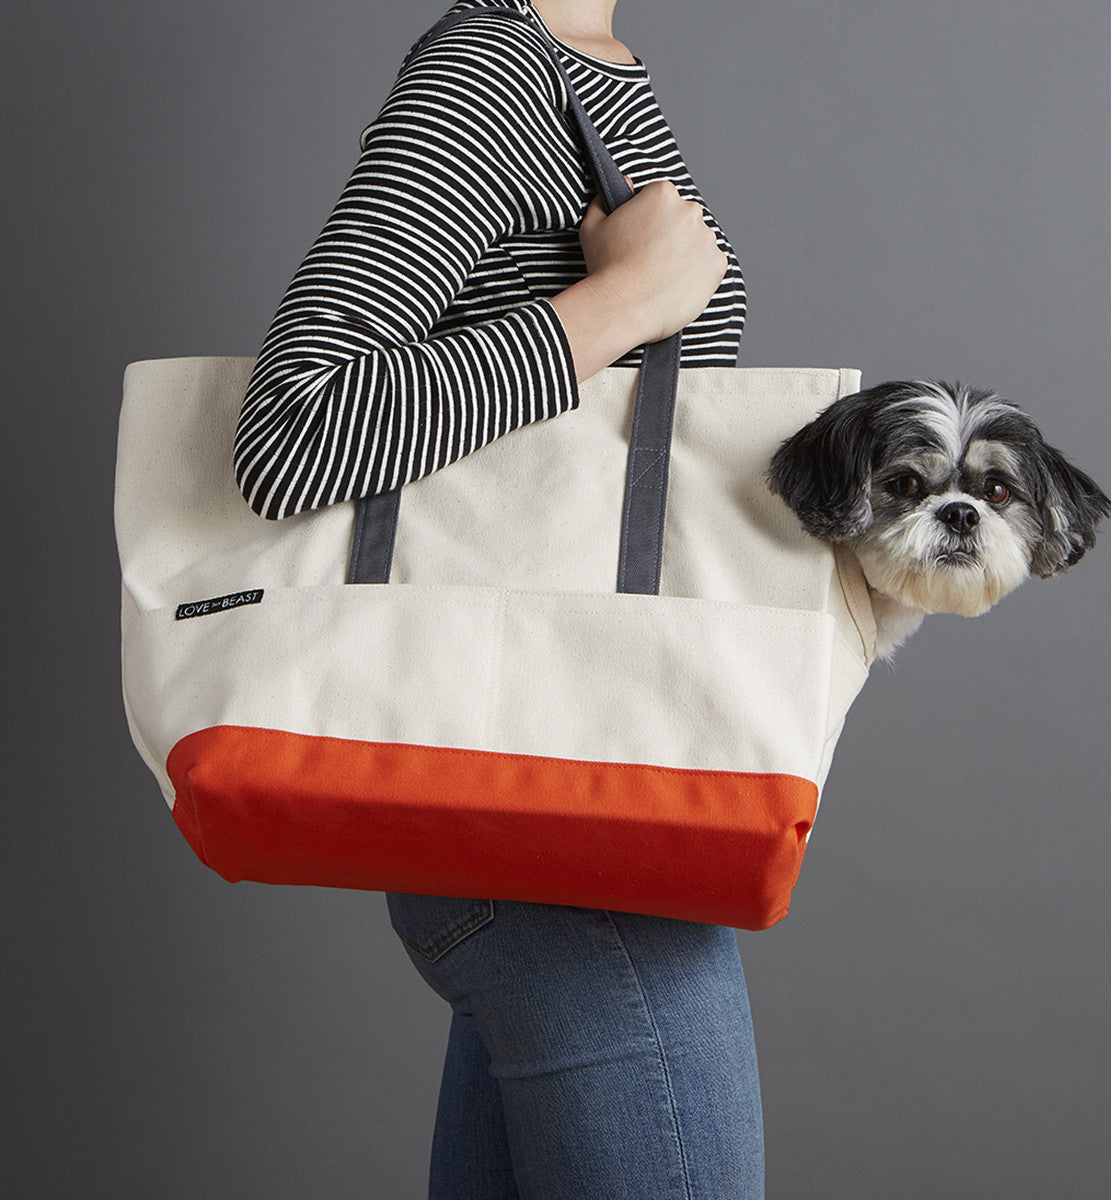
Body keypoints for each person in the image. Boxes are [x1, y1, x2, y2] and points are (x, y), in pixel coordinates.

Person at [235, 1, 759, 1196]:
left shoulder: (599, 65)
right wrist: (619, 305)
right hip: (553, 817)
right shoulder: (493, 68)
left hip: (590, 774)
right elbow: (294, 429)